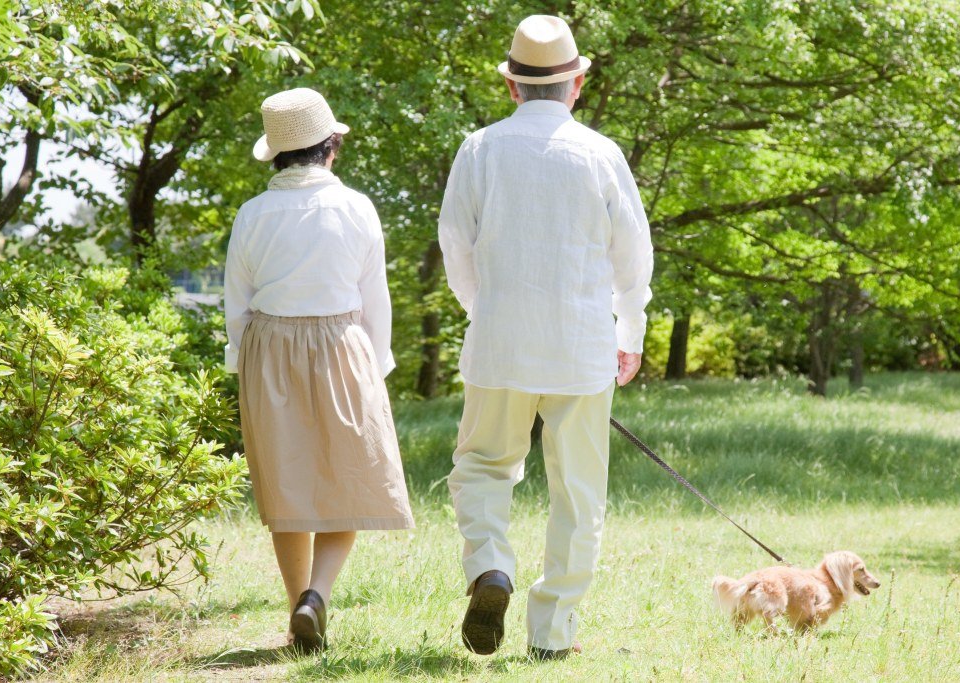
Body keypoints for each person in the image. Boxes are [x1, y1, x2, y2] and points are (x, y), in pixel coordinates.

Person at [438, 14, 654, 661]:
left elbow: (455, 244)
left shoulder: (479, 148)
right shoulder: (601, 154)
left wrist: (487, 308)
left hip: (499, 342)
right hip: (582, 344)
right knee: (578, 493)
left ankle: (490, 567)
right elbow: (633, 257)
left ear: (511, 86)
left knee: (481, 466)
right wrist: (632, 328)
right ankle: (553, 634)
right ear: (577, 83)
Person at [224, 87, 414, 653]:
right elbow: (373, 297)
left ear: (277, 154)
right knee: (348, 479)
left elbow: (237, 302)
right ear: (331, 147)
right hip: (341, 343)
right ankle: (318, 596)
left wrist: (245, 368)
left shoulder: (252, 214)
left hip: (269, 348)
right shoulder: (357, 207)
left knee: (289, 485)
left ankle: (294, 611)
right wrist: (377, 366)